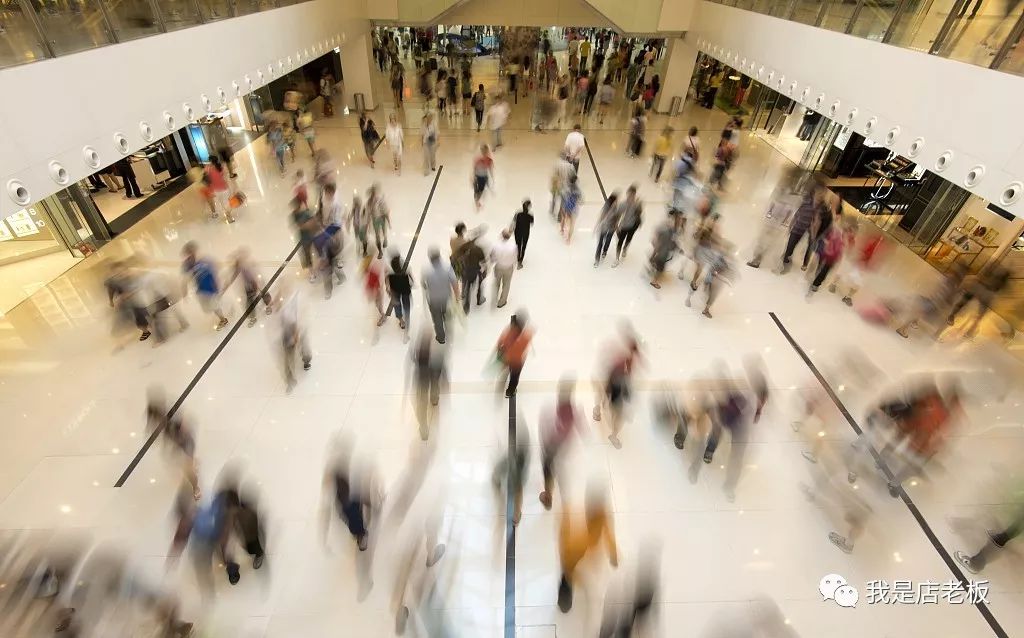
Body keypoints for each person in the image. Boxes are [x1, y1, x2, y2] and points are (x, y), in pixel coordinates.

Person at [557, 483, 618, 612]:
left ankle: (566, 596)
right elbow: (608, 533)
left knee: (570, 575)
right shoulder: (591, 517)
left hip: (579, 555)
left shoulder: (598, 515)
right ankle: (566, 593)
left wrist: (613, 554)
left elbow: (607, 533)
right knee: (570, 575)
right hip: (576, 555)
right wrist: (613, 555)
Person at [593, 335, 642, 448]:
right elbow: (615, 377)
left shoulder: (623, 357)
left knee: (602, 397)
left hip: (610, 384)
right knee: (618, 415)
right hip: (612, 387)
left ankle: (597, 411)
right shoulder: (621, 361)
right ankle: (613, 434)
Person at [181, 242, 229, 331]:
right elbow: (185, 279)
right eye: (189, 252)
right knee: (208, 308)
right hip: (201, 288)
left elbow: (216, 267)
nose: (191, 254)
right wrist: (184, 292)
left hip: (211, 287)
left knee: (214, 305)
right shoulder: (187, 264)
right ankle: (223, 311)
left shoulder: (205, 259)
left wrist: (218, 281)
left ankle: (223, 319)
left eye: (191, 251)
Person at [780, 182, 825, 273]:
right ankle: (784, 262)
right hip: (798, 227)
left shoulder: (821, 208)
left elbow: (817, 222)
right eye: (820, 193)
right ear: (815, 192)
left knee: (806, 248)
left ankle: (802, 263)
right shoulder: (806, 201)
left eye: (823, 193)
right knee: (790, 246)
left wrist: (813, 234)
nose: (821, 195)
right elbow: (797, 213)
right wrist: (791, 224)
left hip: (808, 231)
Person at [224, 247, 273, 327]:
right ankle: (253, 317)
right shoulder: (238, 267)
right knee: (250, 302)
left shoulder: (247, 265)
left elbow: (254, 275)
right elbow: (234, 275)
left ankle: (268, 306)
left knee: (263, 294)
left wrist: (256, 284)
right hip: (248, 286)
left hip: (256, 283)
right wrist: (227, 284)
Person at [278, 285, 311, 392]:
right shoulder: (283, 300)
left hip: (297, 328)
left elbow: (301, 317)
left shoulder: (298, 298)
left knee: (303, 345)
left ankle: (306, 359)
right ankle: (290, 380)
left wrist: (296, 333)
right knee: (287, 358)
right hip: (287, 332)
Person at [422, 248, 458, 344]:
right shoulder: (447, 267)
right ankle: (448, 331)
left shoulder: (426, 269)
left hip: (433, 299)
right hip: (446, 298)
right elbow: (454, 282)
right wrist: (457, 297)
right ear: (439, 257)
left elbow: (423, 284)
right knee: (447, 315)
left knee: (437, 319)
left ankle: (441, 337)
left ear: (430, 258)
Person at [494, 312, 532, 398]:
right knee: (514, 377)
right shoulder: (524, 337)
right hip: (516, 362)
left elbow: (500, 342)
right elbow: (523, 348)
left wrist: (499, 352)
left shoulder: (509, 333)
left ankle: (505, 384)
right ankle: (510, 391)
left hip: (507, 358)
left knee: (507, 371)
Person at [290, 195, 321, 282]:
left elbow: (313, 223)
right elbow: (296, 226)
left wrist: (305, 226)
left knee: (318, 252)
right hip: (304, 239)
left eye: (295, 206)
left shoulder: (307, 213)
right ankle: (312, 273)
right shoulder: (294, 215)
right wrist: (304, 226)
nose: (294, 209)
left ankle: (320, 267)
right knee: (307, 256)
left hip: (313, 236)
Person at [455, 231, 487, 313]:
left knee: (467, 286)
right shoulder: (478, 249)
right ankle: (479, 299)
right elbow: (483, 261)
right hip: (475, 269)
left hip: (465, 269)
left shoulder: (464, 246)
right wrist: (484, 271)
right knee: (480, 283)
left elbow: (458, 255)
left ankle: (466, 306)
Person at [614, 185, 642, 264]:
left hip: (633, 225)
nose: (631, 197)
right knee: (620, 242)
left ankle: (625, 248)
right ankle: (617, 258)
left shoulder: (637, 204)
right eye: (629, 194)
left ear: (635, 194)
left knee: (629, 239)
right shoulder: (623, 204)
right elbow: (618, 215)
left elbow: (639, 213)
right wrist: (616, 226)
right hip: (624, 226)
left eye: (632, 195)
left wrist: (639, 206)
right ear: (627, 194)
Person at [386, 255, 413, 338]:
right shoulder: (405, 268)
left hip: (396, 290)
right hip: (404, 290)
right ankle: (405, 318)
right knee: (405, 304)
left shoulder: (390, 270)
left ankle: (402, 321)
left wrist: (388, 288)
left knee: (397, 305)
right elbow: (411, 277)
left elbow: (387, 279)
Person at [490, 229, 517, 308]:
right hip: (508, 267)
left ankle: (494, 298)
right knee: (506, 284)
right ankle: (502, 302)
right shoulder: (513, 246)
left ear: (502, 235)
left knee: (496, 283)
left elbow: (492, 257)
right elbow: (515, 258)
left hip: (498, 266)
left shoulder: (496, 245)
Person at [594, 192, 622, 267]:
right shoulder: (609, 207)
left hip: (610, 228)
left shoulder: (616, 209)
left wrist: (617, 230)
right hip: (605, 228)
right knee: (600, 243)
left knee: (607, 241)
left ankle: (604, 252)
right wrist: (597, 226)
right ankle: (597, 259)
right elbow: (602, 217)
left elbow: (615, 221)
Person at [472, 144, 495, 211]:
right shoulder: (479, 159)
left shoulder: (488, 160)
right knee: (477, 190)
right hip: (479, 176)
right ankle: (477, 202)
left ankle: (477, 201)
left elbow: (490, 169)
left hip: (483, 177)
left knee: (480, 190)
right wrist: (473, 176)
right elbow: (475, 168)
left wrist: (492, 176)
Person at [512, 199, 534, 268]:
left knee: (518, 245)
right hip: (525, 232)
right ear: (529, 207)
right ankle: (520, 261)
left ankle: (518, 257)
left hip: (517, 231)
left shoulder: (518, 213)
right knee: (523, 246)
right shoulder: (530, 215)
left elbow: (514, 221)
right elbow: (531, 223)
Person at [560, 173, 582, 243]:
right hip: (574, 208)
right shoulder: (578, 190)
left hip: (565, 206)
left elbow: (562, 195)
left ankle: (562, 230)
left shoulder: (566, 187)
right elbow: (581, 200)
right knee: (572, 224)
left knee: (563, 218)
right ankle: (568, 239)